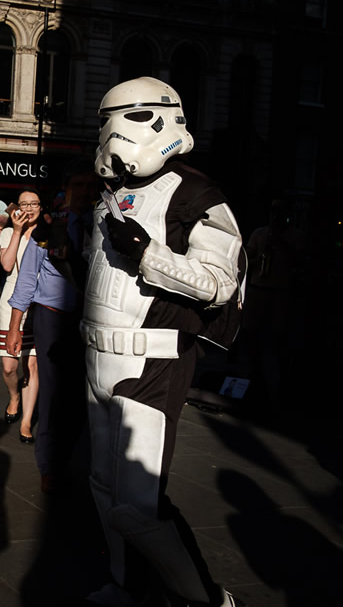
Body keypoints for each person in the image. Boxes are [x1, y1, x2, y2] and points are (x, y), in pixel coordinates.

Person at [83, 77, 243, 607]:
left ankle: (205, 600)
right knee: (105, 492)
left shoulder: (195, 192)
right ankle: (126, 587)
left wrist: (151, 254)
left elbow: (222, 282)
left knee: (136, 505)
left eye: (117, 120)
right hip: (96, 355)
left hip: (150, 362)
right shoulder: (109, 196)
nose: (109, 135)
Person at [6, 160, 98, 493]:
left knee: (86, 394)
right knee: (54, 393)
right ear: (67, 191)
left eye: (92, 186)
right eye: (80, 186)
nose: (87, 192)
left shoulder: (105, 225)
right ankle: (49, 464)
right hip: (51, 317)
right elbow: (27, 278)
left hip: (93, 317)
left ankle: (83, 461)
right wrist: (16, 327)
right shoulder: (49, 228)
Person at [0, 190, 41, 440]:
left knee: (31, 364)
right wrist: (18, 231)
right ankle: (14, 396)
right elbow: (7, 266)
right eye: (24, 204)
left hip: (39, 301)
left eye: (34, 204)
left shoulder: (46, 234)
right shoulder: (10, 232)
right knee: (9, 366)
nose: (29, 208)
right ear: (16, 208)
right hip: (11, 301)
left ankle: (27, 422)